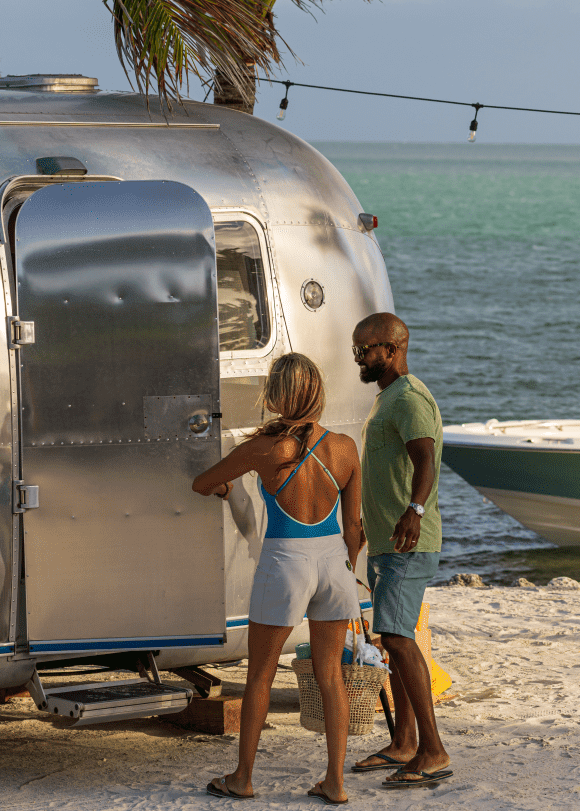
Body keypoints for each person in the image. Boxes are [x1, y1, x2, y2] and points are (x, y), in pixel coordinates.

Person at [192, 353, 364, 805]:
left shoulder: (265, 449)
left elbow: (201, 483)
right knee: (331, 676)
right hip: (334, 563)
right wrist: (347, 570)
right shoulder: (344, 448)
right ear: (317, 393)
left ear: (275, 396)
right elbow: (353, 530)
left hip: (286, 561)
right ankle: (335, 782)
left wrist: (226, 489)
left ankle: (243, 778)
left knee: (261, 676)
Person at [348, 312, 452, 789]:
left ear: (391, 350)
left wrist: (415, 509)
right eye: (357, 349)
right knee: (396, 636)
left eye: (364, 349)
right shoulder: (388, 397)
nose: (358, 357)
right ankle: (405, 742)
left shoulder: (409, 398)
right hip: (388, 542)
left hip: (408, 542)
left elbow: (424, 458)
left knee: (395, 637)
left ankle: (433, 750)